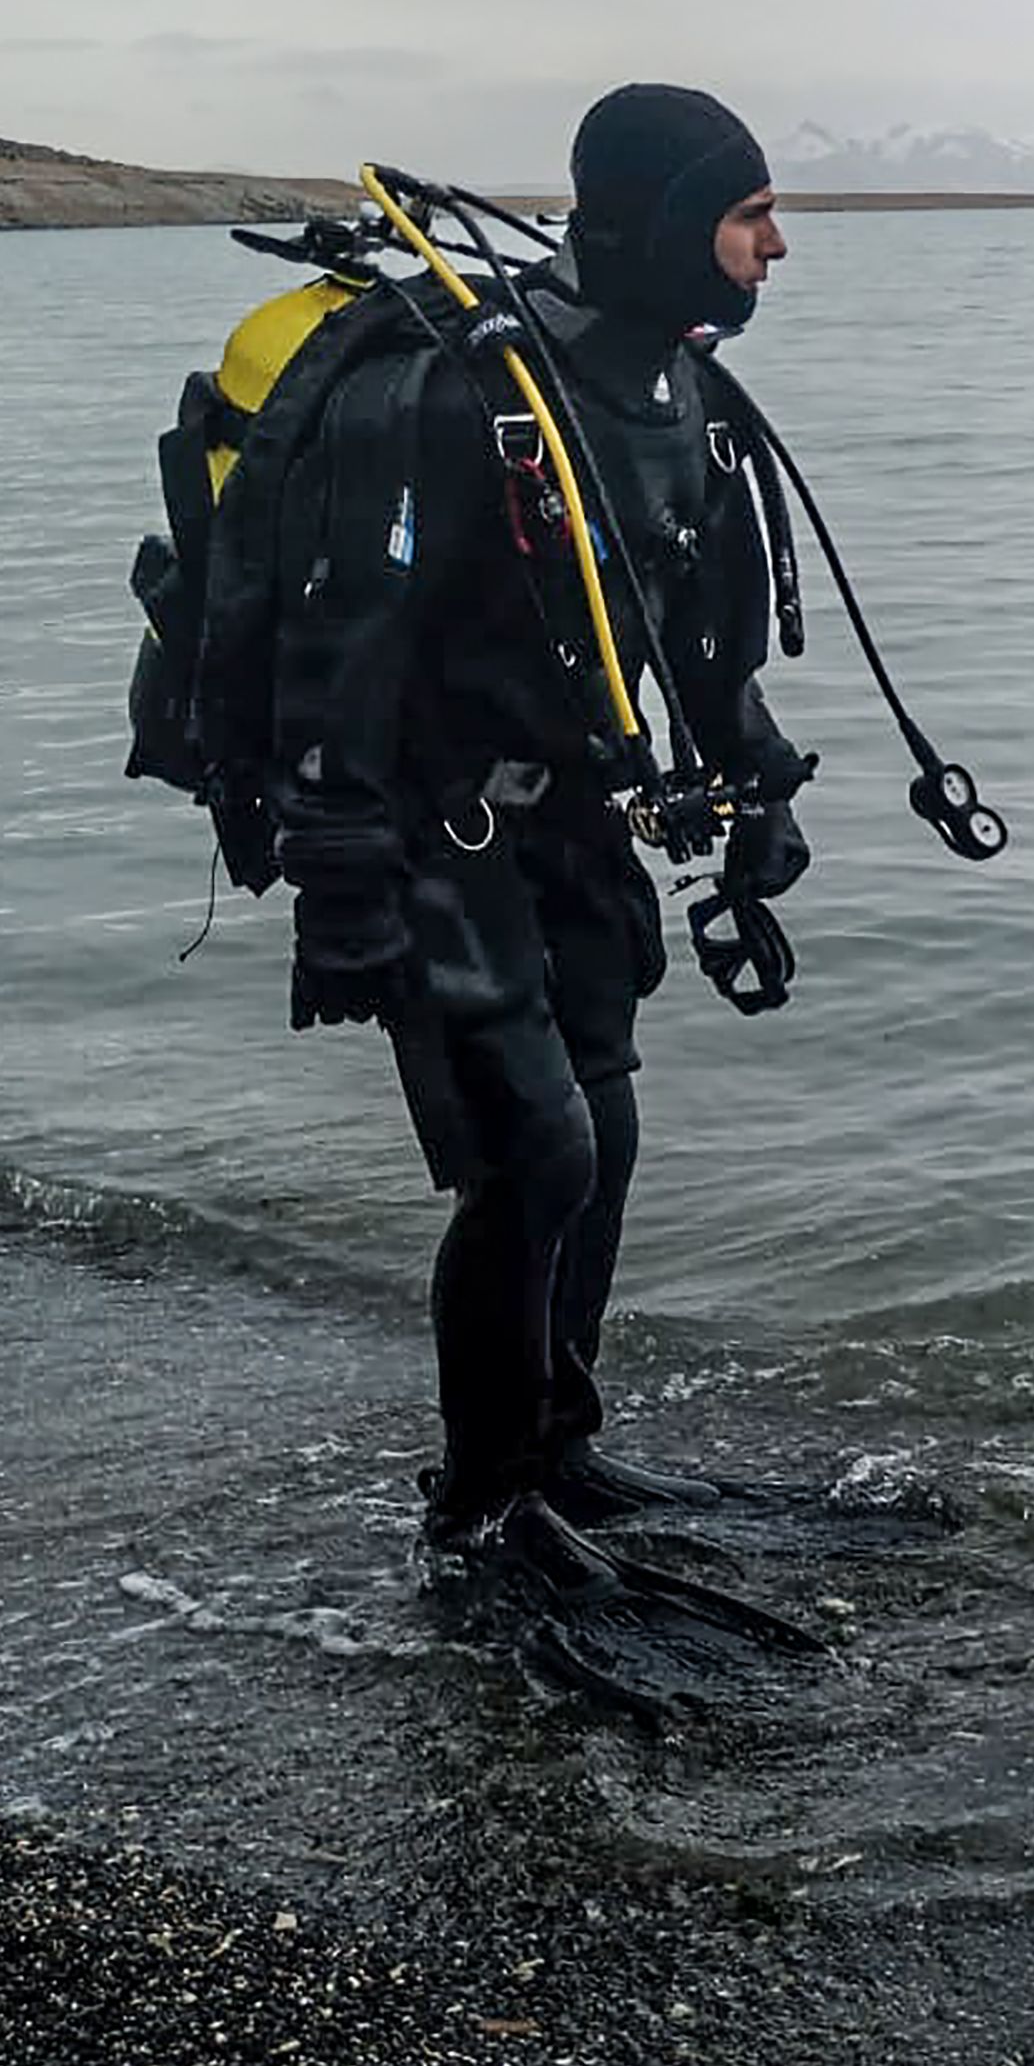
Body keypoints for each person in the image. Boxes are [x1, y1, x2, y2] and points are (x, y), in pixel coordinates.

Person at [260, 85, 818, 1564]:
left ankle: (561, 1454)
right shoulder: (469, 393)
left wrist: (757, 794)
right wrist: (339, 889)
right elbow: (345, 639)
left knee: (607, 1124)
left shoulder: (677, 392)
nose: (775, 246)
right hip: (425, 825)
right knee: (540, 1154)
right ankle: (483, 1503)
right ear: (659, 226)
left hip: (565, 810)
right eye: (749, 214)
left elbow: (704, 641)